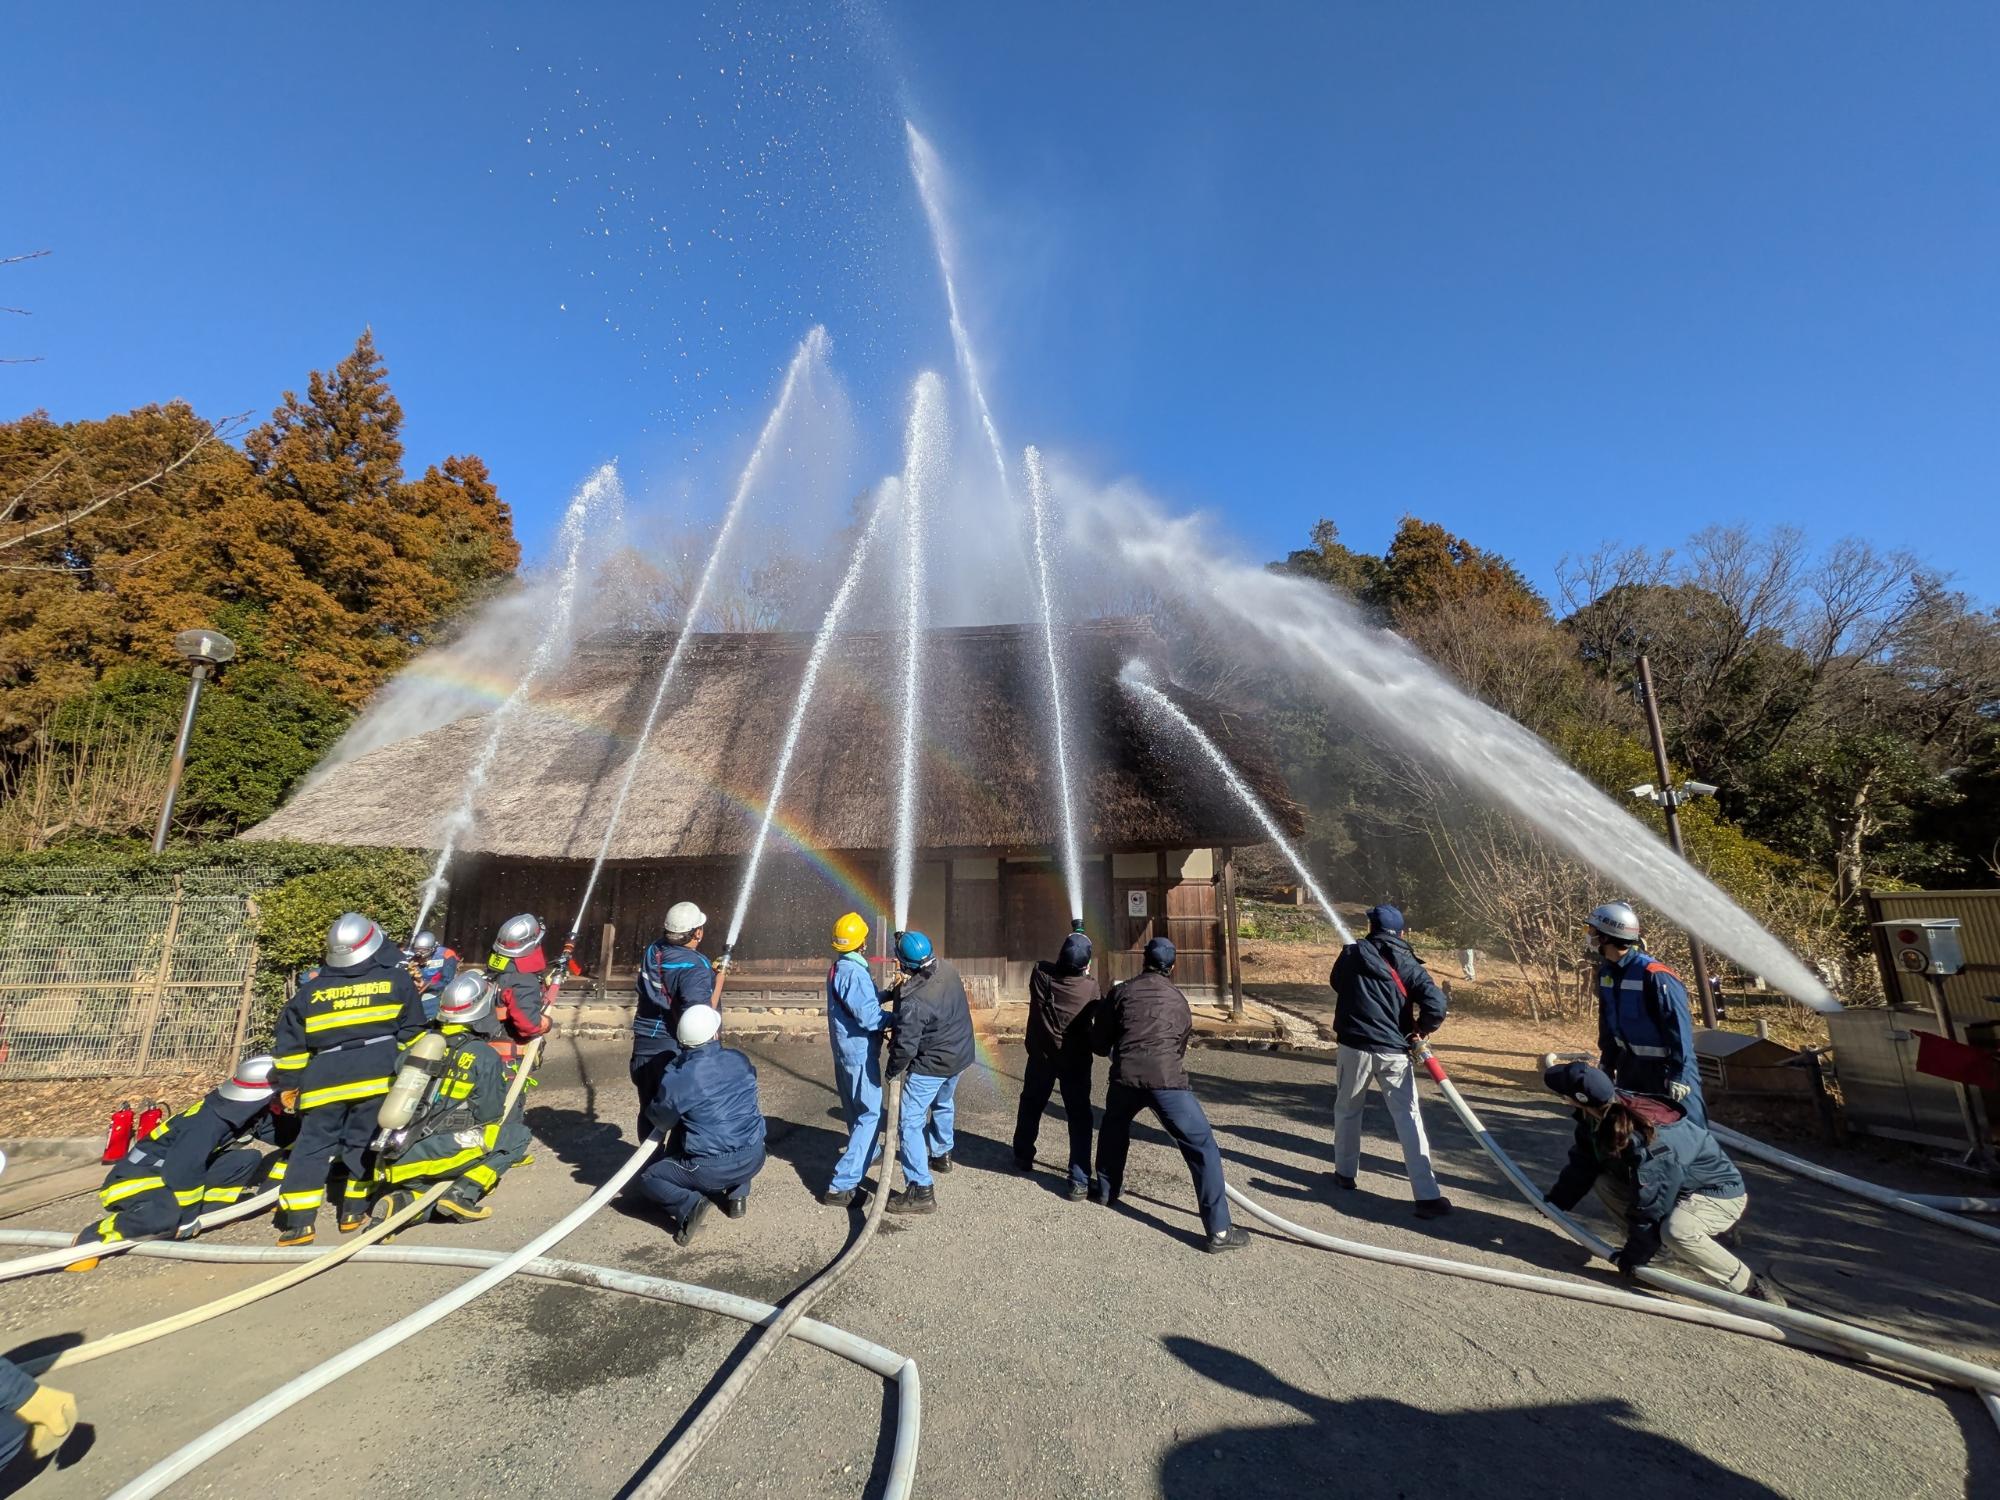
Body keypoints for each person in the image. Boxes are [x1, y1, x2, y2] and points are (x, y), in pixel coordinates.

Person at [1542, 1061, 1784, 1305]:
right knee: (1604, 1181)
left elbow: (1652, 1207)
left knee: (1676, 1231)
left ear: (1576, 1099)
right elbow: (1585, 1161)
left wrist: (1633, 1254)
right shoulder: (1598, 1113)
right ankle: (1657, 1261)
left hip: (1716, 1193)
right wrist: (1556, 1202)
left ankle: (1751, 1287)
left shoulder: (1649, 1140)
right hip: (1675, 1188)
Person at [271, 913, 427, 1245]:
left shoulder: (308, 993)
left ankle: (298, 1223)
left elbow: (290, 1048)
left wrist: (290, 1085)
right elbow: (413, 1033)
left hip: (322, 1081)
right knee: (365, 1141)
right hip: (377, 1078)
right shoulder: (396, 982)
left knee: (311, 1148)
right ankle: (353, 1211)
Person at [1092, 938, 1247, 1253]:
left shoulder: (1120, 993)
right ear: (1172, 967)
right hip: (1168, 1083)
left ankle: (1107, 1190)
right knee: (1202, 1147)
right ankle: (1218, 1231)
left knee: (1113, 1128)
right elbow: (1179, 1047)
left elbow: (1099, 1043)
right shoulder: (1179, 1001)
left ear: (1143, 960)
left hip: (1126, 1079)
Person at [67, 1055, 293, 1269]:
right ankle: (93, 1237)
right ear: (260, 1094)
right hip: (134, 1182)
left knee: (245, 1159)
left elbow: (284, 1136)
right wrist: (187, 1217)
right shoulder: (207, 1123)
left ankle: (214, 1211)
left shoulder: (244, 1113)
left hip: (169, 1174)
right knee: (168, 1214)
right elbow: (183, 1170)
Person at [368, 971, 532, 1227]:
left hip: (393, 1156)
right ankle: (463, 1193)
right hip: (437, 1151)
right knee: (515, 1136)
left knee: (425, 1194)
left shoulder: (419, 1045)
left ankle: (400, 1203)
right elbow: (489, 1113)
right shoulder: (482, 1055)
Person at [1327, 904, 1452, 1219]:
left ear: (1371, 927)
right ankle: (1426, 1196)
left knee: (1347, 1110)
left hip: (1353, 1046)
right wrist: (1421, 1029)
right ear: (1402, 932)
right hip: (1394, 1052)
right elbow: (1436, 1002)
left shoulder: (1352, 953)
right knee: (1408, 1119)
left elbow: (1337, 983)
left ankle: (1345, 1174)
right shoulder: (1408, 963)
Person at [631, 1003, 765, 1246]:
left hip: (711, 1168)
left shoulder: (681, 1077)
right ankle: (737, 1198)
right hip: (756, 1155)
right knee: (736, 1127)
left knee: (649, 1177)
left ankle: (690, 1204)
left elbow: (661, 1119)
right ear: (715, 1033)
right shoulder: (739, 1060)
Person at [1587, 902, 1703, 1122]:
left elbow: (1679, 1028)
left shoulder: (1655, 974)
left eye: (1592, 932)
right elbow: (1608, 1023)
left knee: (1688, 1134)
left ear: (1606, 937)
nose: (1589, 937)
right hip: (1629, 1068)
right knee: (1635, 1133)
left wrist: (1680, 1075)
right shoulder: (1606, 973)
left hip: (1665, 1072)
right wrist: (1607, 1063)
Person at [883, 931, 973, 1215]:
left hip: (932, 1064)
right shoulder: (947, 968)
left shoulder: (915, 1000)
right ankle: (942, 1153)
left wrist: (891, 1071)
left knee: (909, 1119)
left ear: (905, 964)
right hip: (959, 1055)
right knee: (943, 1102)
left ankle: (920, 1189)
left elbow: (905, 1047)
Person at [1012, 928, 1101, 1198]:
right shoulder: (1091, 988)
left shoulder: (1041, 975)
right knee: (1079, 1117)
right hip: (1075, 1060)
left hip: (1042, 1055)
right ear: (1086, 965)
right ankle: (1078, 1179)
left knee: (1031, 1103)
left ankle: (1023, 1156)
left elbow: (1045, 964)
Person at [820, 911, 889, 1207]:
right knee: (870, 1114)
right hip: (859, 1052)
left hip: (844, 1050)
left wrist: (887, 993)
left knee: (853, 1107)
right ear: (862, 943)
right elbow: (869, 1016)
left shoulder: (838, 967)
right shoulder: (855, 973)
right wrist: (900, 1017)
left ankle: (868, 1152)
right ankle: (841, 1185)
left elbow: (859, 1001)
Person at [632, 901, 717, 1141]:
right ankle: (673, 1173)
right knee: (685, 1114)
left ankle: (648, 1168)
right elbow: (696, 1011)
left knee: (650, 1112)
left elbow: (671, 977)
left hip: (644, 1044)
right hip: (674, 1047)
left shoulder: (654, 950)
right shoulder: (695, 966)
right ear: (697, 932)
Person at [485, 913, 555, 1053]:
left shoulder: (499, 963)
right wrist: (546, 1023)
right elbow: (529, 1025)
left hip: (487, 1034)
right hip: (507, 1049)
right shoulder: (523, 981)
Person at [406, 930, 460, 1022]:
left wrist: (427, 984)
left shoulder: (446, 955)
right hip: (413, 995)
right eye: (417, 949)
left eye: (424, 950)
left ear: (433, 948)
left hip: (435, 995)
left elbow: (448, 982)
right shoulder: (410, 956)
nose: (420, 953)